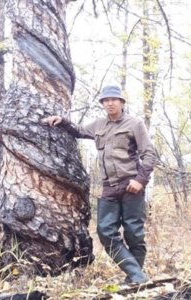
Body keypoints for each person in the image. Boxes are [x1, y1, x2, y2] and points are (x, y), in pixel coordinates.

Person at [43, 85, 157, 284]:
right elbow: (78, 131)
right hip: (109, 187)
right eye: (106, 100)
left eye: (114, 99)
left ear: (122, 102)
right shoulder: (99, 124)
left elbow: (149, 155)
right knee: (105, 232)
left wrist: (140, 181)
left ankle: (133, 281)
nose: (110, 103)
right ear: (103, 104)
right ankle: (139, 277)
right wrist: (62, 122)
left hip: (131, 186)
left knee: (134, 235)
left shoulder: (134, 123)